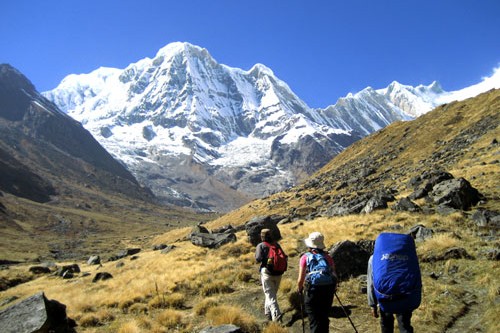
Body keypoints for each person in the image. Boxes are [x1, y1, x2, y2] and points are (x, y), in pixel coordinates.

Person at [367, 232, 421, 333]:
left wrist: (372, 305)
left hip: (385, 298)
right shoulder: (408, 257)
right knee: (405, 325)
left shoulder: (374, 259)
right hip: (406, 294)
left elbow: (371, 283)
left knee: (386, 325)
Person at [297, 232, 337, 333]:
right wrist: (333, 288)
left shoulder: (305, 257)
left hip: (312, 290)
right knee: (324, 318)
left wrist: (300, 289)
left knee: (314, 320)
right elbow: (334, 276)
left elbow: (300, 280)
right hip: (328, 290)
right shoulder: (328, 257)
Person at [255, 228, 284, 322]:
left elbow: (258, 259)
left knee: (270, 295)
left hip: (267, 273)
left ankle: (277, 316)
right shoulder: (276, 244)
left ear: (261, 236)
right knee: (271, 294)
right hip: (279, 273)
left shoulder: (261, 245)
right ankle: (267, 312)